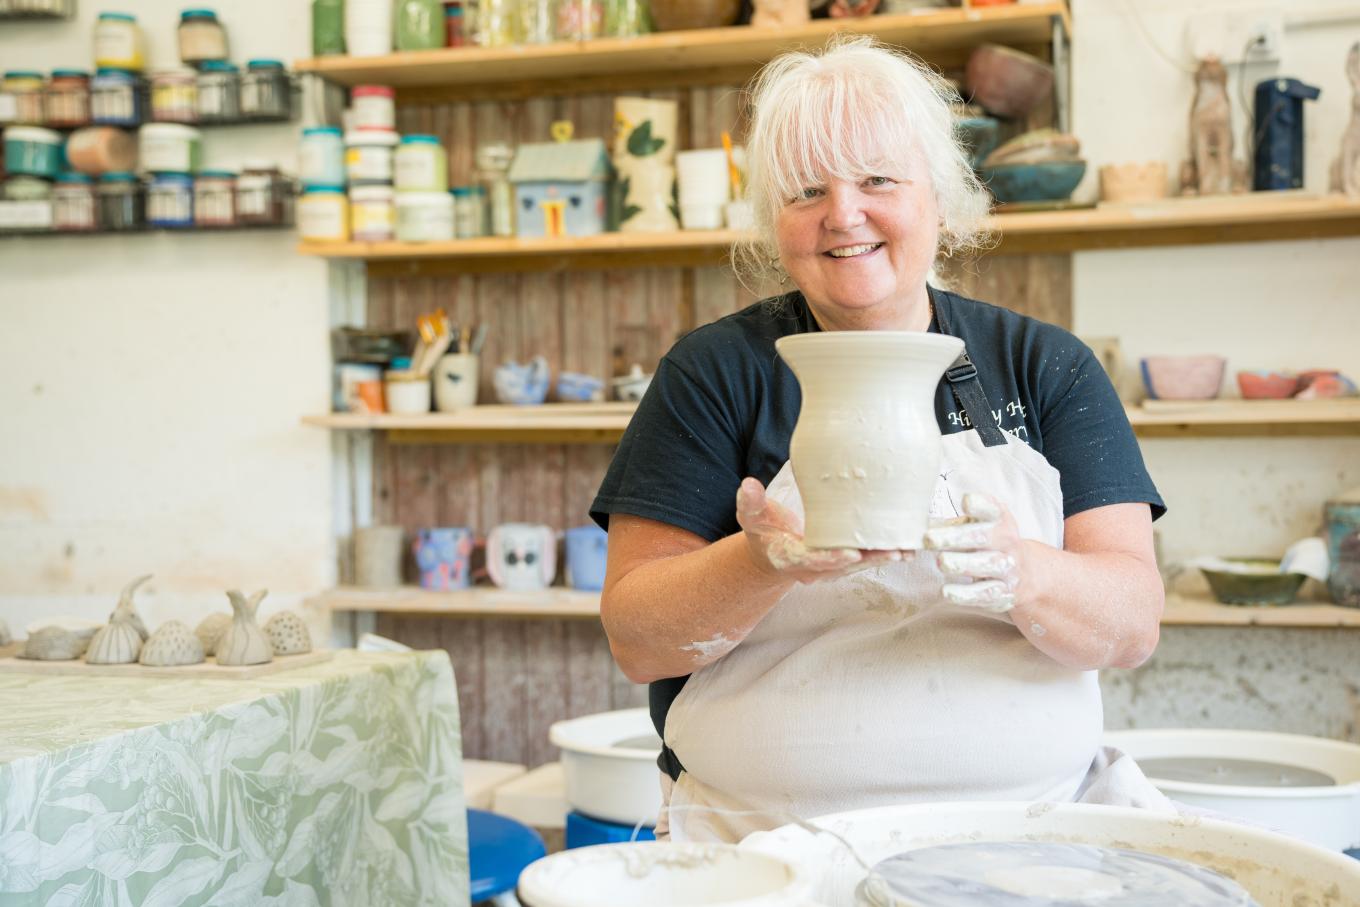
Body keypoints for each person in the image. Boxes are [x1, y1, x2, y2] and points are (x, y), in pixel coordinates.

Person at [590, 37, 1167, 843]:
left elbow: (1133, 621)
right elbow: (638, 638)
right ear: (772, 223)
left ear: (940, 194)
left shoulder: (1045, 367)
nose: (843, 214)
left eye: (877, 180)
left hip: (1031, 833)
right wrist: (758, 564)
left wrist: (1019, 568)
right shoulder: (713, 374)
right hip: (763, 841)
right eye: (806, 190)